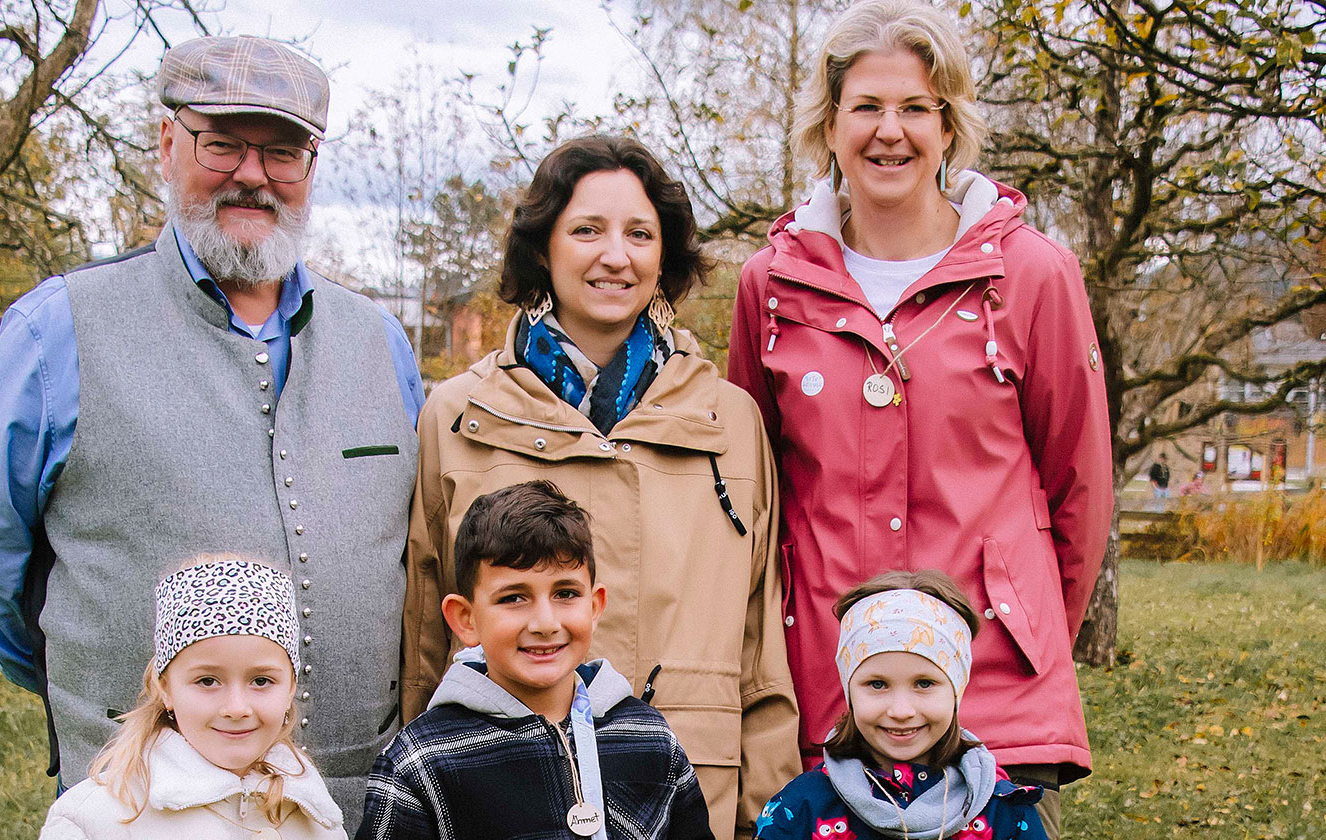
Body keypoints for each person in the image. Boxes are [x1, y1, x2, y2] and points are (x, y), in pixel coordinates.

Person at [0, 36, 422, 828]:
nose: (252, 175)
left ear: (311, 166)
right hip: (141, 806)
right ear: (167, 144)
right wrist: (77, 678)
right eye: (222, 144)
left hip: (354, 803)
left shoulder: (381, 342)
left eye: (282, 152)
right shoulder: (58, 329)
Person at [725, 2, 1111, 836]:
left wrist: (1026, 629)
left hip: (996, 697)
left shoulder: (1032, 274)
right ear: (830, 124)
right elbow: (751, 499)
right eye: (866, 106)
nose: (889, 131)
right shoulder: (772, 286)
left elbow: (1079, 489)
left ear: (949, 123)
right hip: (833, 694)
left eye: (915, 108)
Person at [403, 135, 800, 838]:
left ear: (664, 257)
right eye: (587, 230)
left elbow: (761, 649)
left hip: (690, 796)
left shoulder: (730, 420)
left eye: (640, 234)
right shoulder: (457, 415)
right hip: (503, 803)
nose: (616, 256)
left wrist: (767, 820)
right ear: (542, 248)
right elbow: (427, 646)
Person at [363, 482, 714, 840]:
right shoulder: (420, 761)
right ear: (466, 619)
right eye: (514, 598)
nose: (545, 623)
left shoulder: (649, 737)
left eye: (566, 593)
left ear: (594, 607)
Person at [40, 556, 347, 839]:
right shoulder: (94, 820)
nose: (236, 708)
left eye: (261, 681)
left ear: (291, 687)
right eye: (207, 681)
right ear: (165, 688)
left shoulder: (316, 814)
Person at [753, 571, 1046, 840]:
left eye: (924, 684)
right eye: (877, 685)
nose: (901, 711)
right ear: (849, 690)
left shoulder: (1005, 811)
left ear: (957, 689)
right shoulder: (800, 809)